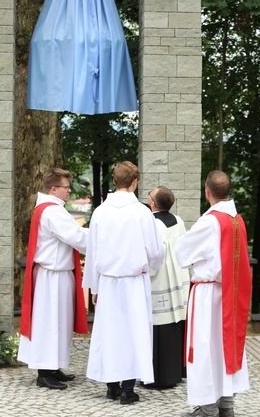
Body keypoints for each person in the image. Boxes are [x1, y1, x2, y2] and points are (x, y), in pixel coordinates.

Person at [82, 161, 165, 405]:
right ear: (135, 181)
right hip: (133, 282)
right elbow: (155, 250)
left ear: (115, 181)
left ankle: (112, 386)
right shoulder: (141, 212)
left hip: (107, 282)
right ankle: (127, 389)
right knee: (132, 331)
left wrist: (94, 287)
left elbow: (92, 252)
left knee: (110, 331)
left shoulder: (100, 211)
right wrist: (152, 267)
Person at [175, 170, 252, 417]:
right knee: (225, 348)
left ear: (207, 192)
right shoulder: (237, 219)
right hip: (229, 294)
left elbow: (182, 253)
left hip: (208, 295)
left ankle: (208, 408)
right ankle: (226, 405)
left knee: (207, 349)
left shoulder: (210, 222)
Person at [18, 167, 89, 390]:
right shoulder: (52, 212)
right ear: (54, 188)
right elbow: (75, 236)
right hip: (52, 274)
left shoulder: (49, 209)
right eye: (66, 187)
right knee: (49, 323)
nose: (69, 191)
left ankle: (54, 366)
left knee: (59, 322)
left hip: (56, 274)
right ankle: (44, 372)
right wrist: (103, 236)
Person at [145, 186, 190, 389]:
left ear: (153, 203)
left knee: (158, 329)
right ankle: (176, 372)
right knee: (174, 327)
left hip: (160, 282)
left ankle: (159, 377)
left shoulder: (152, 224)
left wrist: (146, 272)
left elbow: (153, 255)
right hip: (177, 283)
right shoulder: (178, 220)